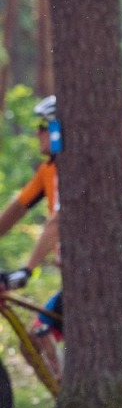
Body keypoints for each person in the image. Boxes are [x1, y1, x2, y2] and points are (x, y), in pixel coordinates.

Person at [0, 96, 65, 373]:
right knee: (31, 343)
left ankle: (71, 393)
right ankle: (67, 390)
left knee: (38, 336)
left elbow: (58, 222)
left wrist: (26, 270)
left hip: (93, 277)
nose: (37, 133)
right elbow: (15, 210)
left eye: (43, 126)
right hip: (72, 278)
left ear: (57, 129)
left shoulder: (67, 169)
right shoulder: (48, 170)